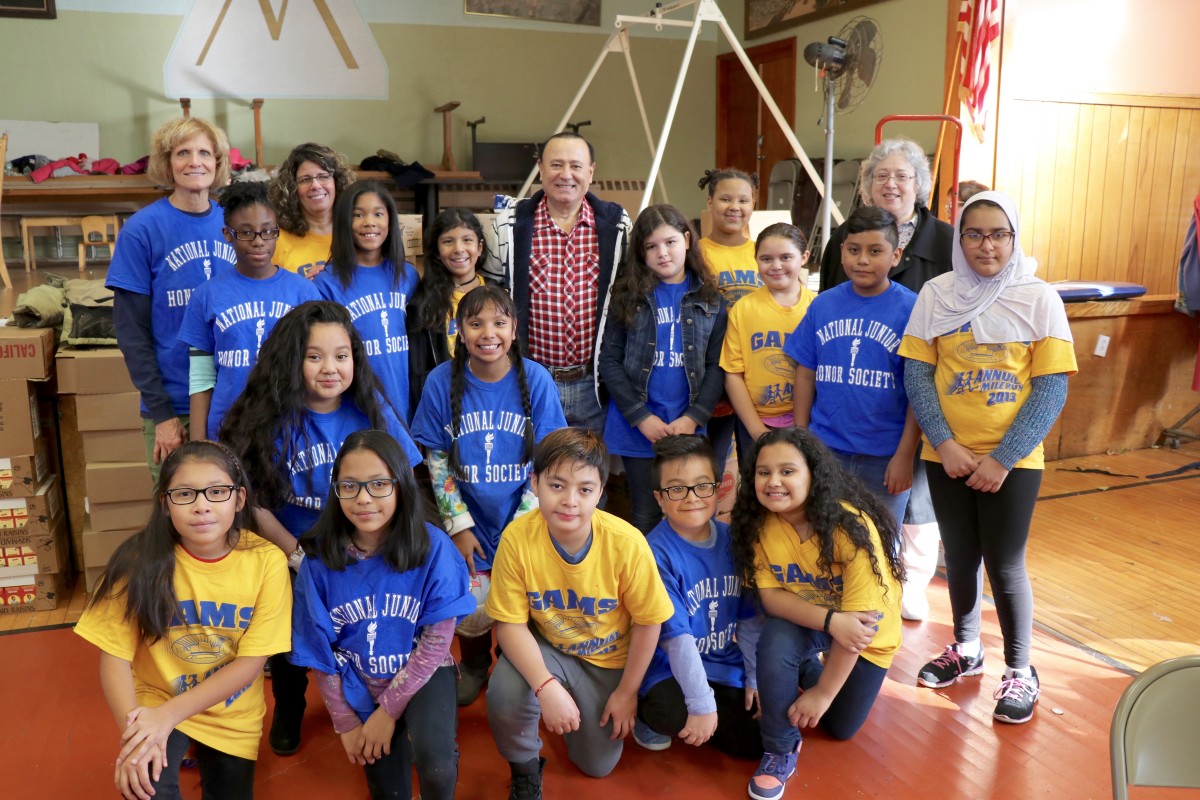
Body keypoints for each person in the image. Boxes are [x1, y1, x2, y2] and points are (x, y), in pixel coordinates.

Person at [900, 190, 1076, 725]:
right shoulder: (936, 293)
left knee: (1004, 562)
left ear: (1014, 239)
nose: (986, 245)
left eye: (999, 234)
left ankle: (1021, 669)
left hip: (1012, 462)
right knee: (959, 554)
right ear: (960, 239)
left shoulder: (1039, 297)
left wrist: (1002, 458)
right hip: (946, 455)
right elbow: (917, 372)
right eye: (973, 233)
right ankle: (968, 648)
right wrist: (945, 443)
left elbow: (1050, 389)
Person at [218, 300, 421, 757]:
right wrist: (296, 556)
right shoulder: (266, 418)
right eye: (314, 356)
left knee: (367, 634)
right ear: (291, 359)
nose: (330, 368)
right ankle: (289, 705)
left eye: (341, 355)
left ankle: (380, 700)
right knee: (288, 639)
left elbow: (404, 486)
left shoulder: (371, 409)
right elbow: (251, 505)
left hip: (364, 549)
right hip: (291, 552)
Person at [75, 440, 291, 800]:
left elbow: (251, 664)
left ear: (239, 500)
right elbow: (114, 657)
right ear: (165, 504)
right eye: (185, 494)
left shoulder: (266, 561)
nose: (202, 505)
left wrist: (168, 717)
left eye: (217, 492)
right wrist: (136, 739)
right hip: (157, 697)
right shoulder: (137, 561)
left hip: (231, 710)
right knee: (144, 786)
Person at [484, 428, 674, 798]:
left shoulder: (627, 543)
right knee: (505, 692)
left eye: (584, 489)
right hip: (550, 648)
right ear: (534, 482)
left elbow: (650, 622)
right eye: (557, 485)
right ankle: (525, 767)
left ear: (600, 492)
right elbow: (509, 624)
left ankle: (576, 707)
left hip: (606, 660)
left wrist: (627, 692)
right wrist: (544, 685)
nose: (570, 501)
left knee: (597, 766)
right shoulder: (517, 538)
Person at [288, 430, 475, 800]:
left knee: (436, 766)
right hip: (361, 680)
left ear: (401, 486)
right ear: (335, 490)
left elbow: (437, 641)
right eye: (350, 486)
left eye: (378, 484)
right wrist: (345, 723)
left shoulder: (433, 546)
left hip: (424, 673)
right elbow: (321, 656)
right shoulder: (318, 563)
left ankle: (422, 735)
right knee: (388, 791)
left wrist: (387, 713)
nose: (363, 499)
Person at [817, 138, 956, 622]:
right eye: (881, 176)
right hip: (853, 399)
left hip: (917, 388)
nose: (891, 184)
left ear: (919, 186)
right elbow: (826, 309)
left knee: (913, 495)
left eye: (902, 176)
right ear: (867, 186)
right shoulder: (844, 239)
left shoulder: (944, 240)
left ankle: (907, 584)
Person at [410, 285, 567, 706]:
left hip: (523, 518)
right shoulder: (441, 381)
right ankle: (476, 663)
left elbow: (548, 461)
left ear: (514, 329)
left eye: (499, 322)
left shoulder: (535, 378)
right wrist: (458, 525)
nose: (487, 332)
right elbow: (436, 460)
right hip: (469, 520)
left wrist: (524, 524)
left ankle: (518, 665)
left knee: (524, 600)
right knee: (471, 607)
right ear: (459, 331)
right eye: (475, 323)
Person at [730, 427, 904, 800]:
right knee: (775, 641)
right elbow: (772, 599)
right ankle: (779, 749)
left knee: (839, 725)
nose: (773, 481)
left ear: (813, 474)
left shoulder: (850, 529)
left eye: (787, 471)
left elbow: (860, 629)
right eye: (763, 472)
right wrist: (829, 620)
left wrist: (824, 693)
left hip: (867, 634)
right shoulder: (757, 525)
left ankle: (812, 674)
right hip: (815, 619)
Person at [107, 117, 237, 483]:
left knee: (238, 516)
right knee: (181, 520)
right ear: (167, 163)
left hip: (233, 401)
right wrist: (162, 414)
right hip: (175, 405)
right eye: (183, 153)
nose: (195, 162)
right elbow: (131, 331)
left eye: (204, 152)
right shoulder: (142, 229)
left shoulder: (235, 223)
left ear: (218, 162)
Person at [490, 131, 632, 434]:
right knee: (535, 471)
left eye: (576, 166)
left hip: (593, 385)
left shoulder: (617, 225)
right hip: (531, 381)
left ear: (591, 172)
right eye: (556, 165)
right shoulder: (509, 225)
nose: (566, 174)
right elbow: (489, 295)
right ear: (541, 169)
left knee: (590, 475)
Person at [787, 206, 919, 527]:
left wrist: (904, 456)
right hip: (826, 450)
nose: (862, 260)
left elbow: (920, 390)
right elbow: (805, 373)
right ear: (842, 251)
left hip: (885, 456)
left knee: (883, 547)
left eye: (875, 251)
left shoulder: (913, 309)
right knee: (826, 538)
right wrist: (803, 439)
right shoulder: (823, 304)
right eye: (854, 250)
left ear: (896, 255)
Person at [599, 204, 727, 533]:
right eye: (651, 246)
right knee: (645, 514)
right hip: (638, 427)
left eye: (670, 242)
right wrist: (641, 417)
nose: (662, 253)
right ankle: (648, 585)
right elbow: (609, 361)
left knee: (693, 513)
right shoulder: (627, 296)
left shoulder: (711, 299)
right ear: (641, 253)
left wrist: (694, 417)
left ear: (687, 239)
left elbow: (717, 367)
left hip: (687, 426)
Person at [633, 435, 762, 758]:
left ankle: (708, 715)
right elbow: (677, 640)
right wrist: (702, 706)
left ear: (718, 490)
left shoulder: (734, 540)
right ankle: (648, 716)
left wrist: (754, 676)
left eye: (702, 485)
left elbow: (749, 619)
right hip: (668, 667)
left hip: (720, 662)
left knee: (755, 742)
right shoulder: (655, 553)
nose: (692, 497)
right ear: (659, 499)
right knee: (672, 713)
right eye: (676, 488)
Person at [179, 180, 321, 440]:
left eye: (268, 231)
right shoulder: (206, 295)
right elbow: (201, 377)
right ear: (227, 234)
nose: (259, 241)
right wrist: (199, 446)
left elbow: (316, 366)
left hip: (291, 430)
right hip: (229, 429)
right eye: (246, 233)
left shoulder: (304, 292)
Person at [315, 179, 419, 423]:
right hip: (357, 411)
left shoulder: (407, 275)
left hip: (406, 407)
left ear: (390, 221)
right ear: (344, 222)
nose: (369, 222)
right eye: (358, 214)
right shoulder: (325, 284)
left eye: (378, 214)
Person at [720, 223, 816, 474]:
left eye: (785, 257)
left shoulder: (817, 307)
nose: (775, 265)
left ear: (804, 257)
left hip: (807, 422)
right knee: (758, 494)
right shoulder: (744, 309)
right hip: (755, 422)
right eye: (766, 258)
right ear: (756, 261)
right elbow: (733, 374)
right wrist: (755, 429)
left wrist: (803, 427)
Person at [698, 167, 761, 473]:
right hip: (713, 377)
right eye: (725, 199)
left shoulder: (762, 253)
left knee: (757, 465)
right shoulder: (696, 254)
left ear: (753, 204)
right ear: (710, 203)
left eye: (743, 200)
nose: (734, 207)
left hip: (756, 375)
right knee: (712, 464)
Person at [407, 208, 490, 414]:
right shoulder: (423, 302)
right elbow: (418, 371)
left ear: (479, 247)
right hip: (443, 406)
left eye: (467, 240)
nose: (458, 249)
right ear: (436, 251)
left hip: (489, 401)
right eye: (448, 241)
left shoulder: (498, 296)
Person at [269, 142, 357, 278]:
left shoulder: (356, 232)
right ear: (292, 189)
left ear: (337, 182)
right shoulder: (275, 241)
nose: (315, 185)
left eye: (323, 177)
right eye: (305, 179)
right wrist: (303, 289)